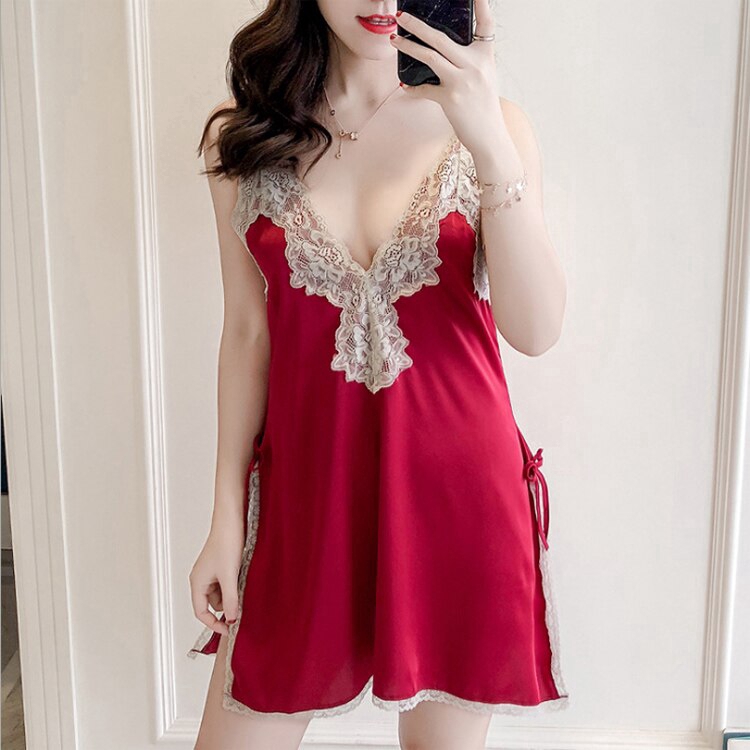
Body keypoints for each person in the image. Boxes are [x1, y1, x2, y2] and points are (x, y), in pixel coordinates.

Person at [187, 0, 569, 747]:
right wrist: (225, 518)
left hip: (460, 502)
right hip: (306, 497)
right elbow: (247, 334)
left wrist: (491, 144)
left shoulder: (492, 125)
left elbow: (536, 330)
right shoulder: (245, 136)